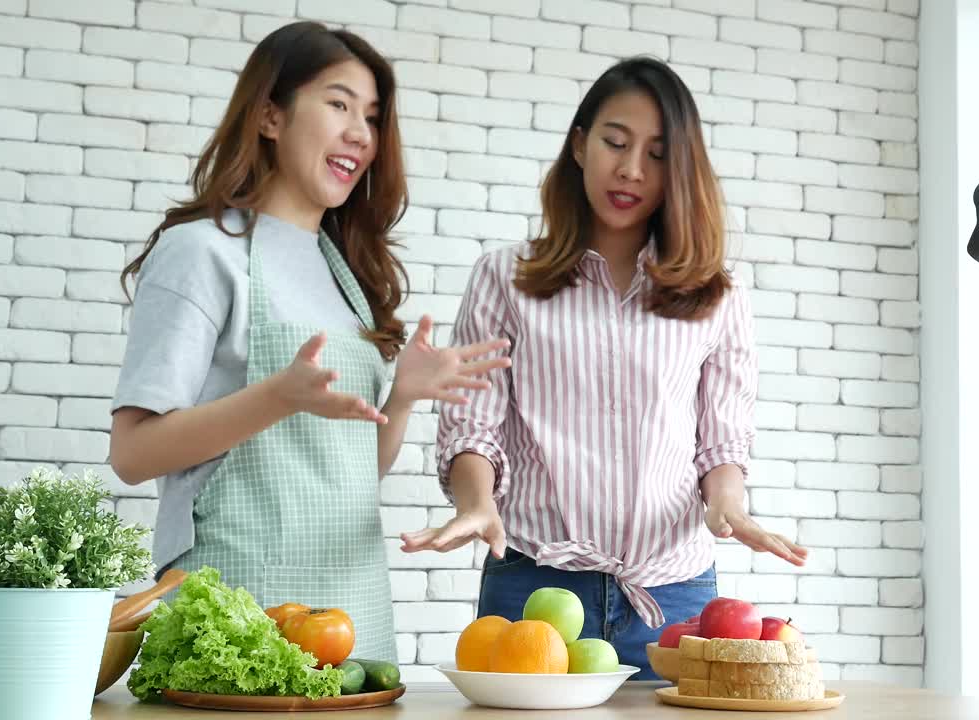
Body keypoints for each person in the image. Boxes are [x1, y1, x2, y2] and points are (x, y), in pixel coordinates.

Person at [108, 21, 508, 664]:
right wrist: (278, 397)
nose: (361, 133)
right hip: (236, 606)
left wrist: (400, 396)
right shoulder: (203, 251)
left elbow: (348, 472)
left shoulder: (342, 272)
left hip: (350, 611)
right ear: (270, 115)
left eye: (372, 117)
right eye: (339, 103)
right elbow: (132, 453)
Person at [399, 57, 809, 677]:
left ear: (682, 169)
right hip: (532, 587)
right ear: (580, 144)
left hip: (673, 595)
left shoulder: (718, 295)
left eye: (656, 153)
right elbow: (473, 425)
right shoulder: (504, 279)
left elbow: (721, 438)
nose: (630, 169)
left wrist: (727, 505)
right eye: (616, 143)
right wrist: (477, 501)